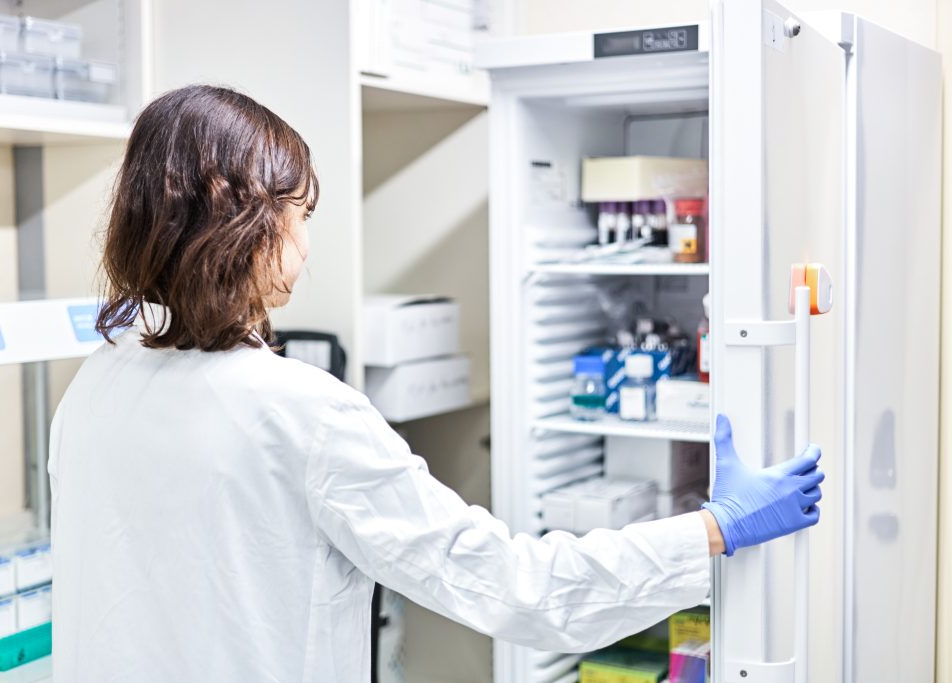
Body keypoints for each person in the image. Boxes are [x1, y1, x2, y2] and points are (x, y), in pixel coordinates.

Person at [48, 85, 824, 682]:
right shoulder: (301, 411)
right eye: (297, 213)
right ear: (238, 220)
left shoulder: (93, 389)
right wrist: (715, 527)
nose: (307, 247)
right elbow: (521, 589)